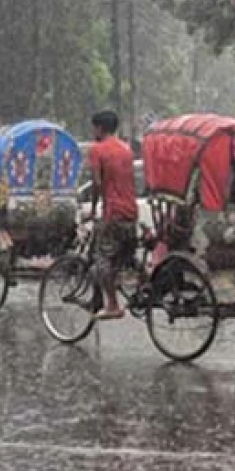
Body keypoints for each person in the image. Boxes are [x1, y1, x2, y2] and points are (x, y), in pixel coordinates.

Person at [83, 109, 139, 321]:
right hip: (131, 211)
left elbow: (97, 183)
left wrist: (94, 208)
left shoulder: (97, 150)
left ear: (99, 128)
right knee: (125, 256)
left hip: (113, 212)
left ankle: (113, 305)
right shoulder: (126, 149)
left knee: (101, 258)